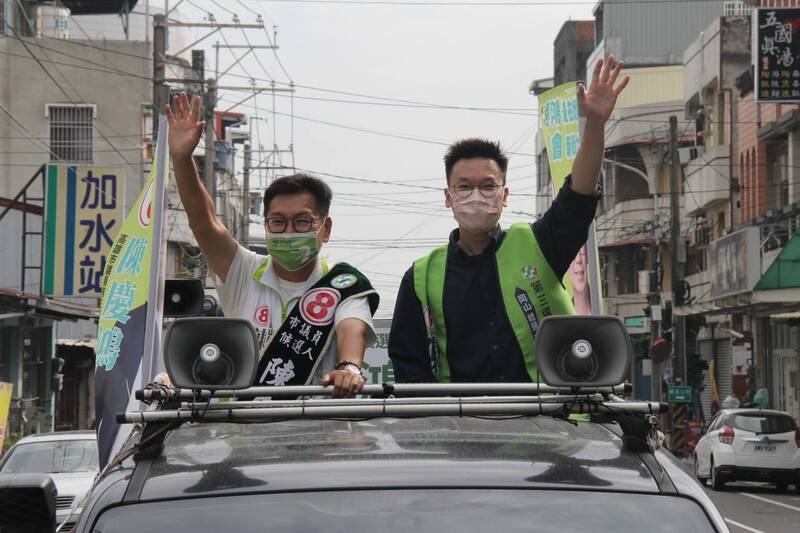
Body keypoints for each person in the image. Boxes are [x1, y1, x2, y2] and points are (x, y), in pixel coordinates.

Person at [389, 56, 629, 383]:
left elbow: (579, 196)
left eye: (488, 185)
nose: (477, 195)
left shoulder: (540, 245)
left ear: (505, 195)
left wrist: (596, 125)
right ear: (448, 197)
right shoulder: (420, 277)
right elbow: (408, 363)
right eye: (464, 187)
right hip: (461, 428)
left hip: (547, 425)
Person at [162, 92, 378, 397]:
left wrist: (349, 368)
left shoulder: (344, 284)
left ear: (325, 228)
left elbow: (351, 329)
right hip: (247, 435)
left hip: (320, 434)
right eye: (278, 222)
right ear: (265, 226)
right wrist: (182, 160)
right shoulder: (242, 272)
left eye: (302, 222)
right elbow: (203, 220)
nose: (289, 231)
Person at [568, 245, 591, 315]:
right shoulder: (561, 315)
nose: (578, 260)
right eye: (573, 255)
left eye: (583, 253)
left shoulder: (602, 307)